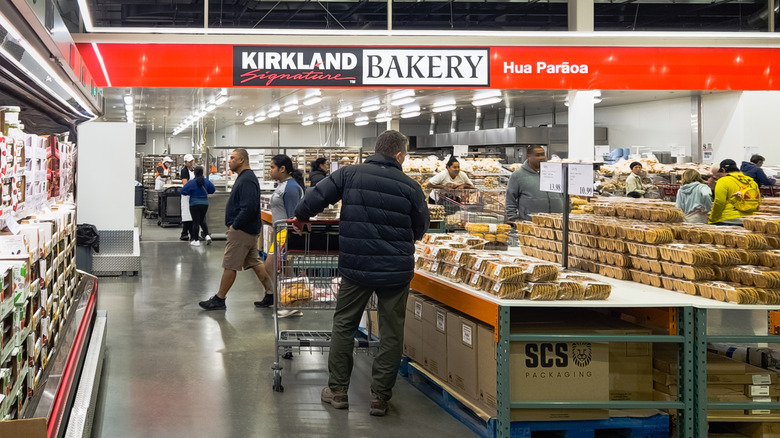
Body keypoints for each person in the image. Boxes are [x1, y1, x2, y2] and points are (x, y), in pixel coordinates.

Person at [292, 130, 429, 417]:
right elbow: (420, 229)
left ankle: (338, 391)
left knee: (344, 324)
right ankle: (380, 397)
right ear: (400, 155)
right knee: (392, 331)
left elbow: (317, 196)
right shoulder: (410, 186)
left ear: (375, 150)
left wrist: (302, 217)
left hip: (357, 267)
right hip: (395, 270)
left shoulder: (349, 174)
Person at [198, 148, 273, 311]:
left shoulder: (246, 179)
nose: (229, 161)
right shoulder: (245, 178)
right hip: (247, 230)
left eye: (232, 158)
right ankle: (271, 292)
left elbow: (248, 207)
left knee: (230, 265)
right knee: (255, 262)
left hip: (242, 231)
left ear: (242, 160)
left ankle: (219, 299)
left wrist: (235, 225)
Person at [254, 154, 305, 318]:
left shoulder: (290, 188)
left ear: (282, 169)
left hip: (285, 233)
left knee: (270, 266)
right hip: (280, 232)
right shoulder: (283, 185)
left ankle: (286, 302)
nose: (270, 170)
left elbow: (292, 216)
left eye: (272, 167)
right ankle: (292, 302)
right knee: (286, 270)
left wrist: (288, 240)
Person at [505, 145, 565, 221]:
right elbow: (510, 198)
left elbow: (565, 195)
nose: (541, 158)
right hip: (531, 223)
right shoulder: (518, 175)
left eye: (543, 155)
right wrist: (513, 218)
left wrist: (567, 213)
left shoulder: (553, 173)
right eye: (537, 155)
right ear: (528, 156)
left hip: (557, 223)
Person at [708, 159, 762, 226]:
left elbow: (720, 202)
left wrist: (712, 218)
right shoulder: (751, 182)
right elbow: (758, 201)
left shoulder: (723, 181)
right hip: (748, 220)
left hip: (728, 219)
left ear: (723, 169)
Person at [181, 166, 216, 246]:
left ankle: (196, 240)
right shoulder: (207, 181)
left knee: (196, 221)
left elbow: (183, 191)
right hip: (205, 204)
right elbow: (213, 190)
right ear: (202, 172)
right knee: (202, 219)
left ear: (194, 173)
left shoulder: (191, 182)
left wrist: (190, 193)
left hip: (194, 204)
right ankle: (207, 236)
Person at [179, 154, 195, 241]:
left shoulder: (192, 170)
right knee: (187, 215)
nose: (192, 163)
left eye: (192, 161)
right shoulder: (184, 171)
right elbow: (185, 184)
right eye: (190, 162)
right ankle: (190, 234)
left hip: (192, 194)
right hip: (186, 195)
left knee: (190, 215)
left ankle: (184, 233)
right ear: (186, 162)